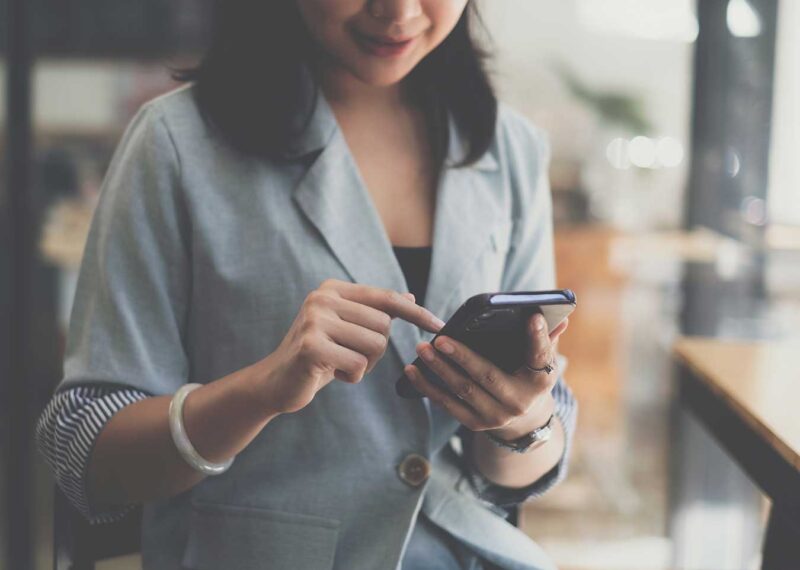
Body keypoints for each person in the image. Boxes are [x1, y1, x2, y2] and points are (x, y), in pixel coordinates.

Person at [36, 1, 577, 569]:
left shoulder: (509, 147)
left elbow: (528, 459)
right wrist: (261, 390)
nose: (398, 12)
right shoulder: (175, 143)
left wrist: (522, 421)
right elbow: (86, 451)